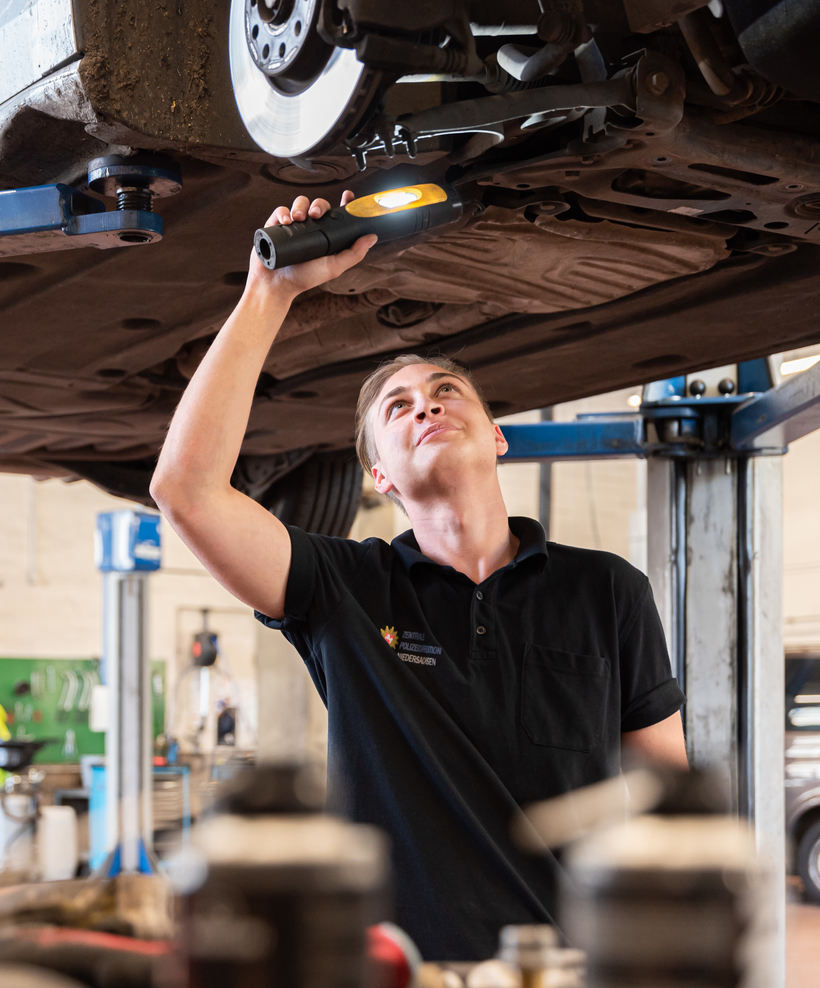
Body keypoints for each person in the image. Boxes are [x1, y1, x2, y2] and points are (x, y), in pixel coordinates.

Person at [151, 192, 687, 960]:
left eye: (446, 392)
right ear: (379, 475)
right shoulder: (345, 591)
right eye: (398, 407)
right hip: (397, 971)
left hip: (566, 970)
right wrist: (269, 292)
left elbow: (667, 799)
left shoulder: (607, 590)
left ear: (497, 437)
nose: (426, 406)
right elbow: (187, 491)